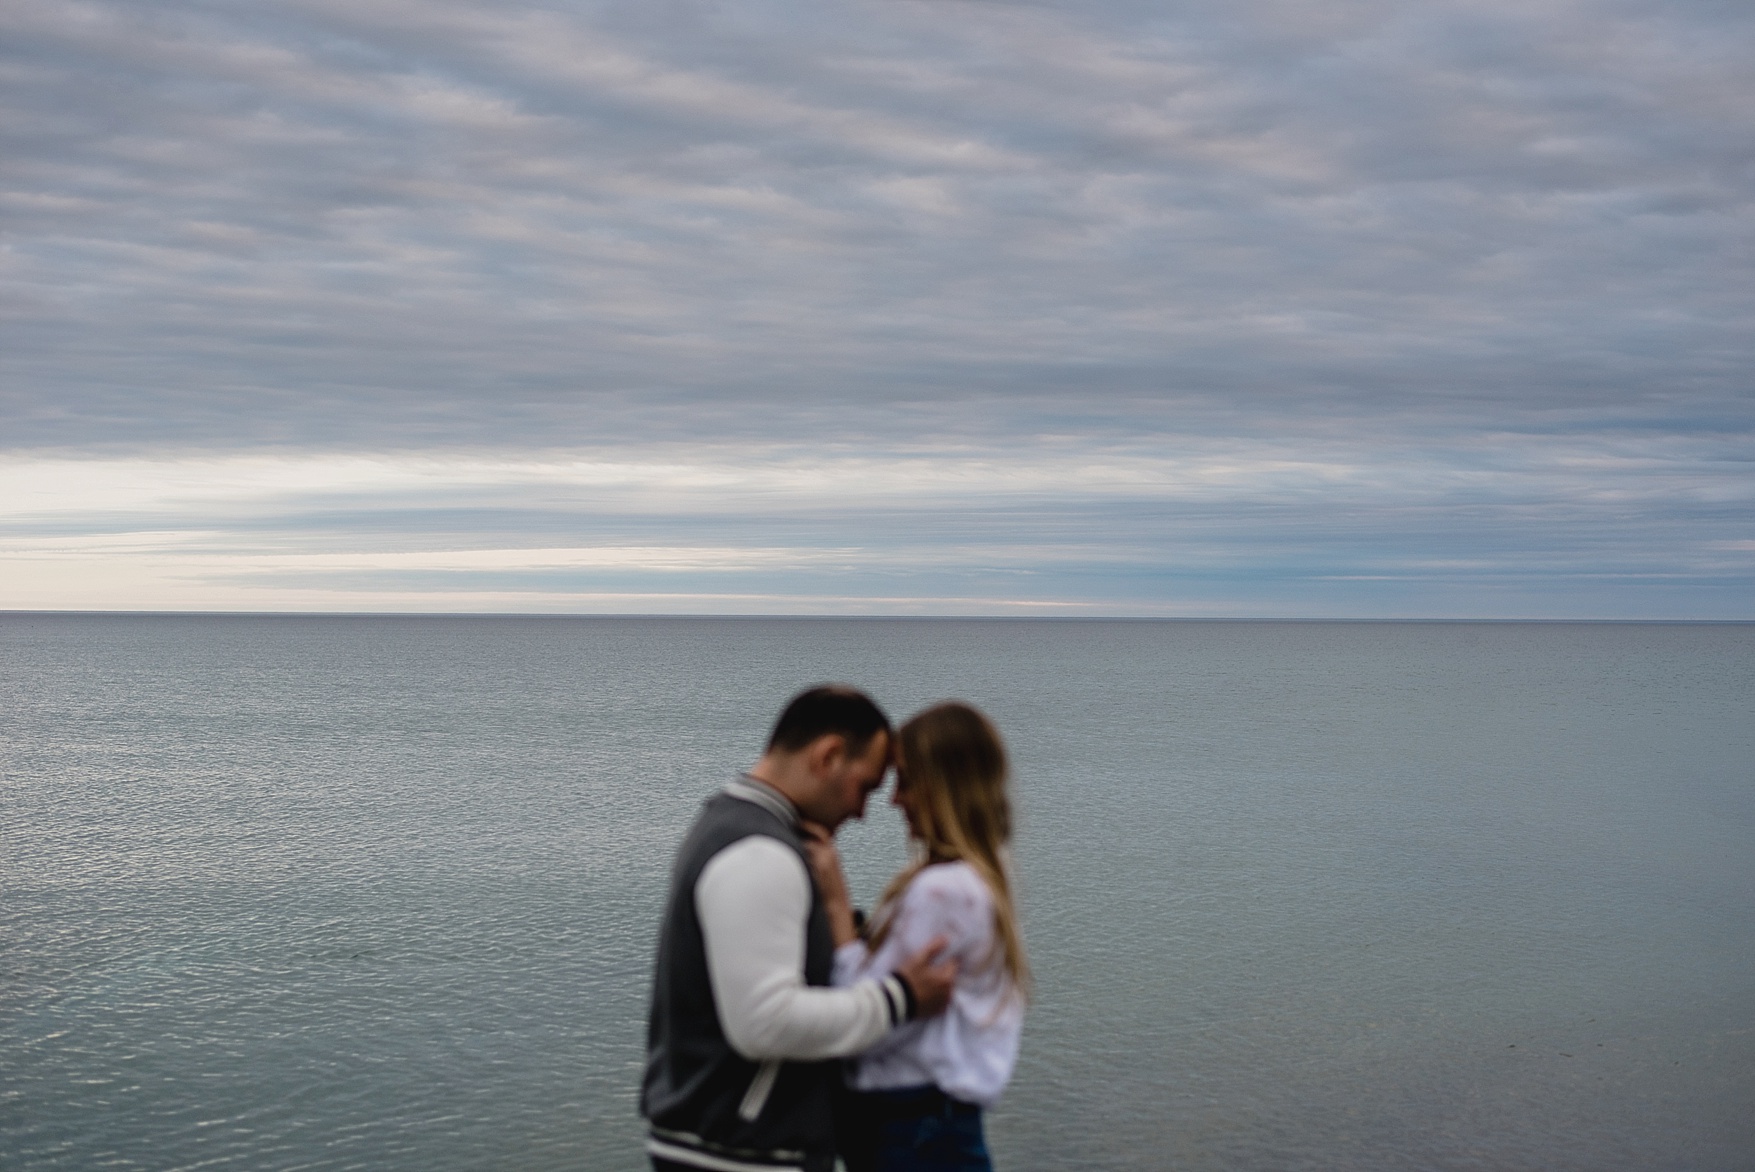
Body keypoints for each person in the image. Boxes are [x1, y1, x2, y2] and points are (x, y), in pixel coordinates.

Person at [642, 685, 961, 1172]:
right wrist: (902, 997)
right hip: (741, 1156)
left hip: (718, 1148)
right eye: (867, 787)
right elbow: (765, 1025)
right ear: (829, 755)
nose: (862, 811)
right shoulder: (761, 854)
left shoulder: (728, 826)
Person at [804, 701, 1028, 1172]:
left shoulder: (942, 890)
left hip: (915, 1132)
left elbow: (864, 1020)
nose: (893, 800)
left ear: (944, 784)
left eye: (906, 780)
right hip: (933, 1129)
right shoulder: (981, 878)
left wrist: (835, 905)